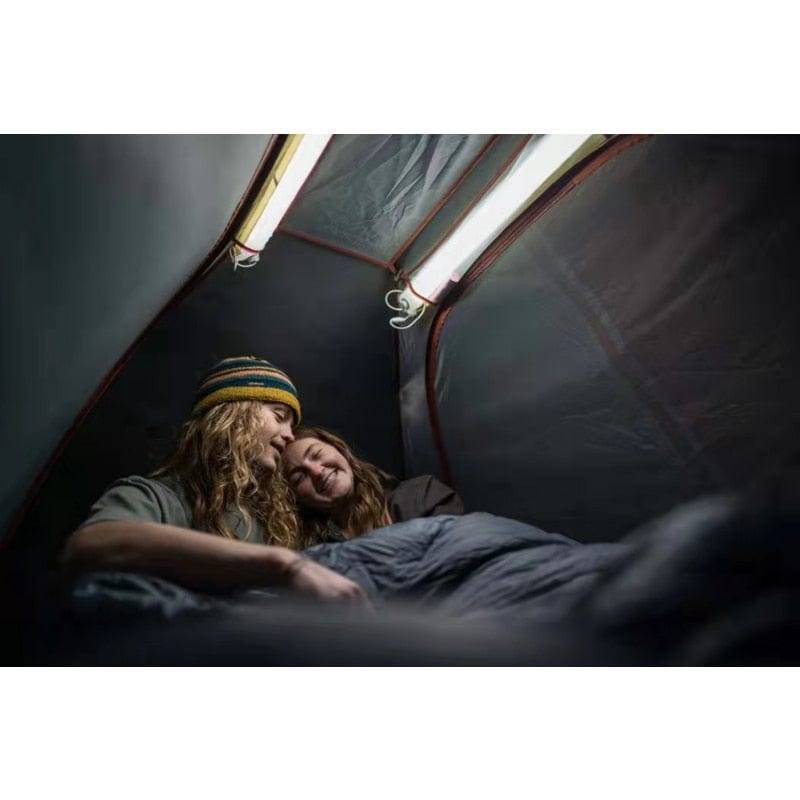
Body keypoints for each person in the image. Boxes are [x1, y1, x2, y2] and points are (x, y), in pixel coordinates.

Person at [61, 357, 366, 602]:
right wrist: (282, 565)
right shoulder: (161, 495)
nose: (289, 435)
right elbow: (89, 544)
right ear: (236, 415)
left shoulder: (276, 513)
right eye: (279, 416)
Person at [283, 426, 464, 543]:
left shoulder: (421, 495)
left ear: (340, 449)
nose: (317, 471)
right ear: (297, 498)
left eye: (316, 454)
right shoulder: (312, 553)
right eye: (299, 477)